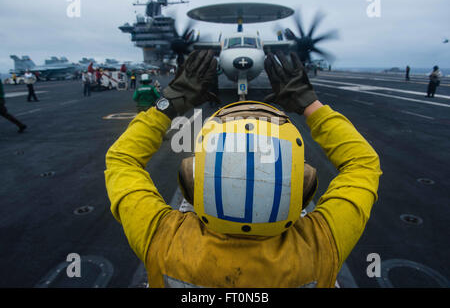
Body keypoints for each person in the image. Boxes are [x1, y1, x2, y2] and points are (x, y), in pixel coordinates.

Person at [104, 50, 382, 288]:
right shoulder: (321, 245)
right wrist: (311, 105)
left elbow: (121, 159)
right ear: (304, 185)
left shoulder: (163, 240)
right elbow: (363, 163)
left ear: (192, 181)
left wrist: (169, 103)